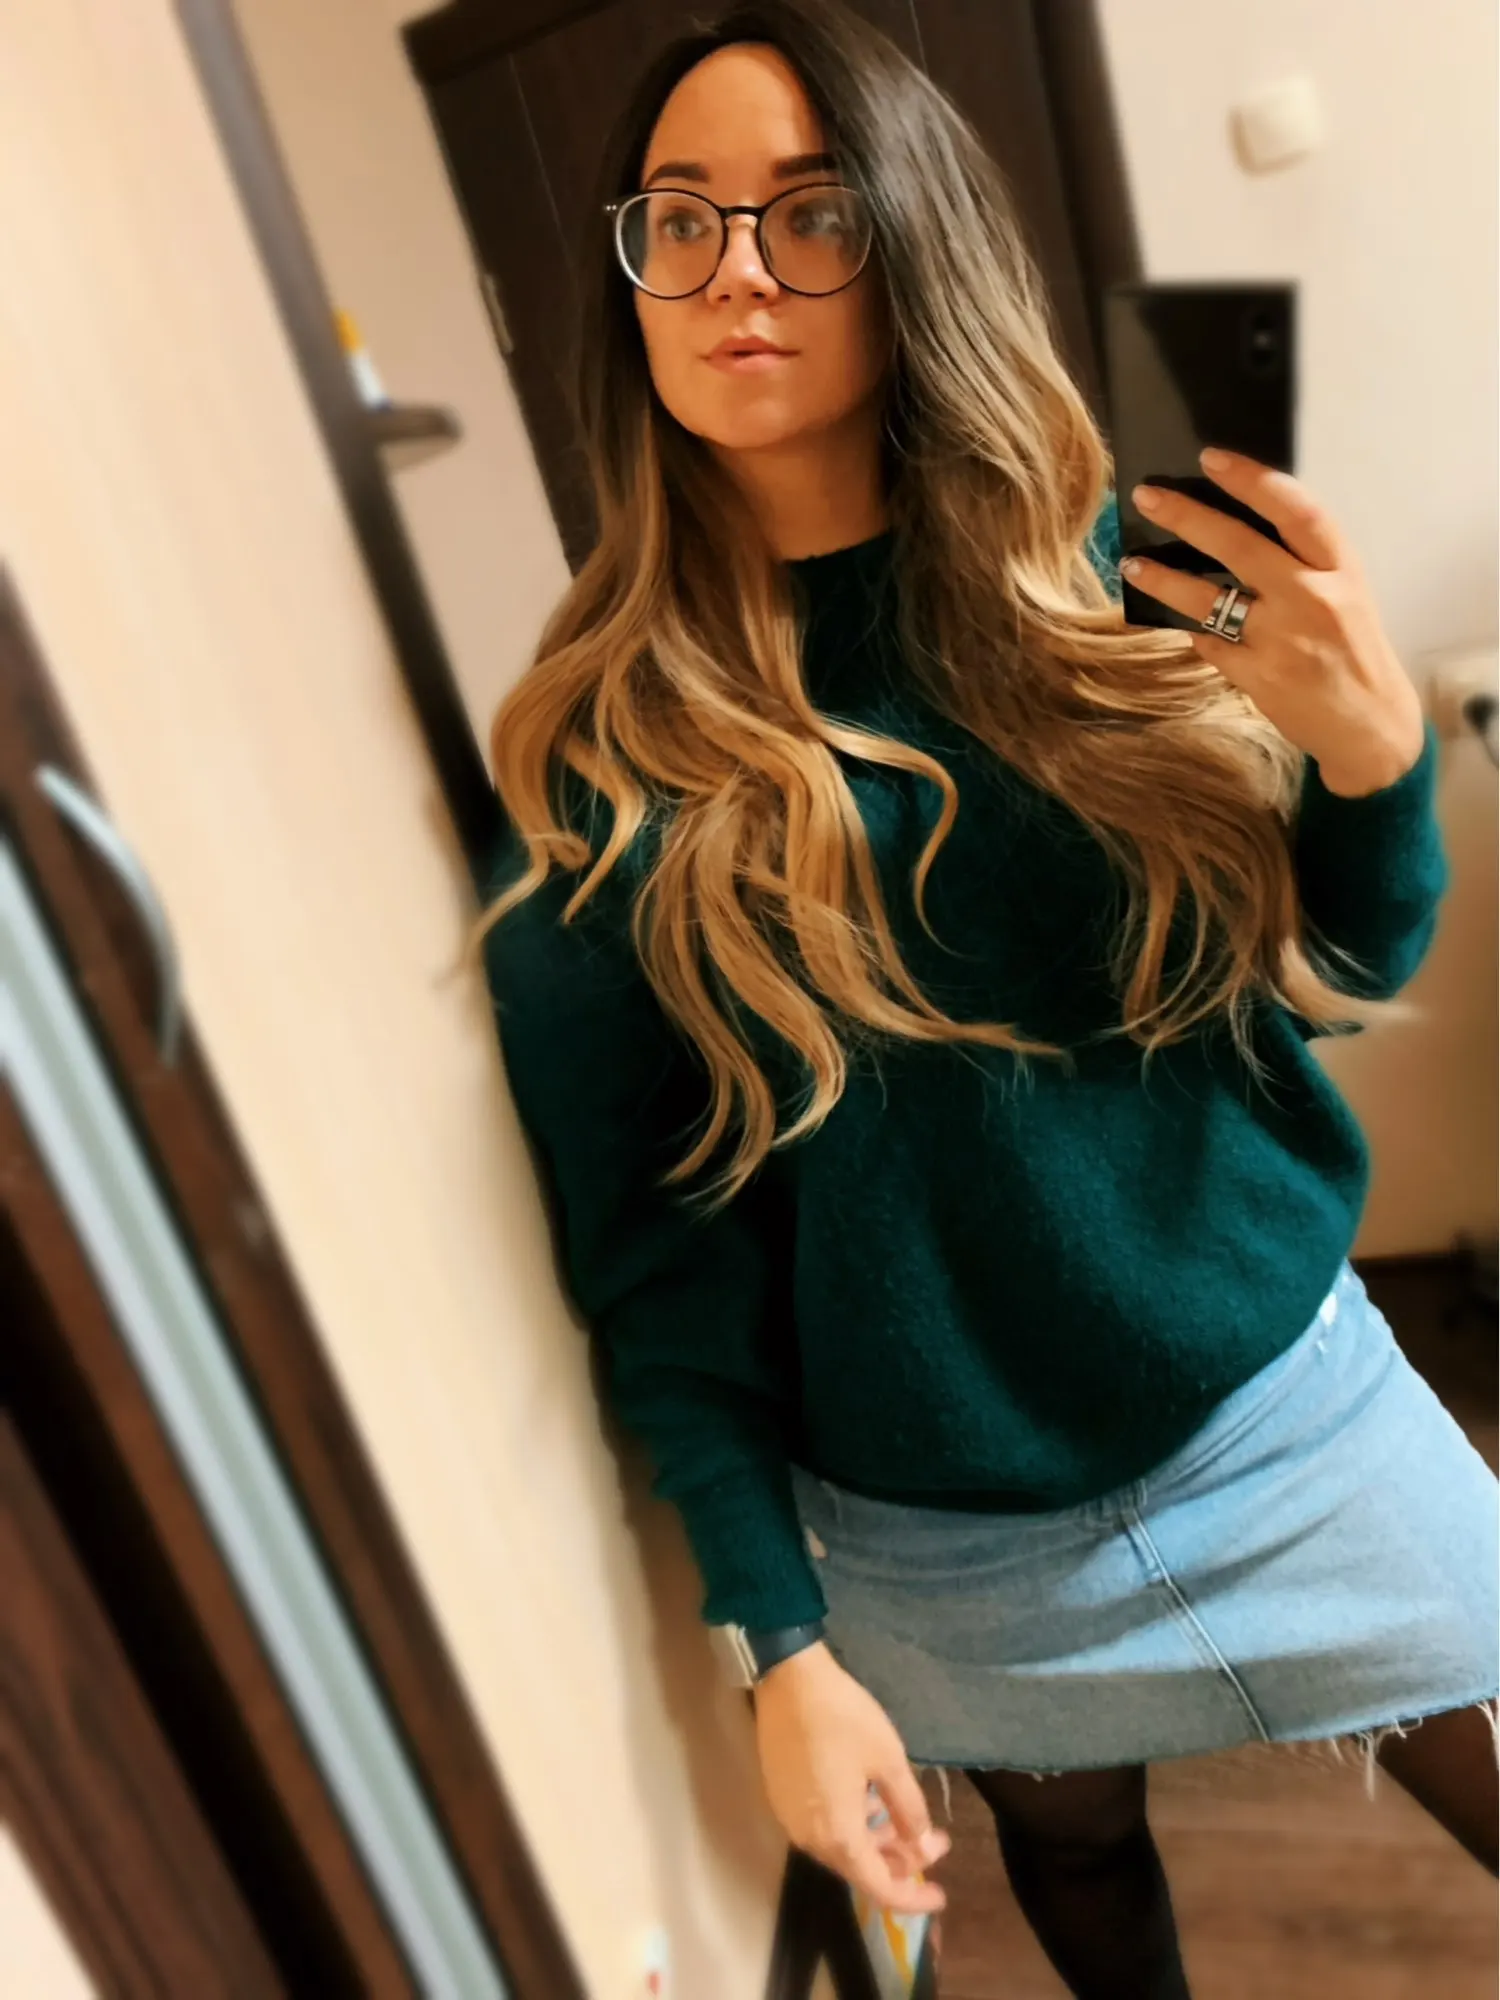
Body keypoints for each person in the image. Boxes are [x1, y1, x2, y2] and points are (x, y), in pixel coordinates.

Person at [467, 3, 1500, 1992]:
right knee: (1076, 1860)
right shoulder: (605, 772)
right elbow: (664, 1273)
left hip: (1288, 1402)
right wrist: (777, 1644)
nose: (736, 271)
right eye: (678, 220)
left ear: (915, 245)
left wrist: (1376, 768)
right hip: (945, 1526)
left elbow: (1335, 968)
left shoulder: (1126, 584)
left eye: (808, 213)